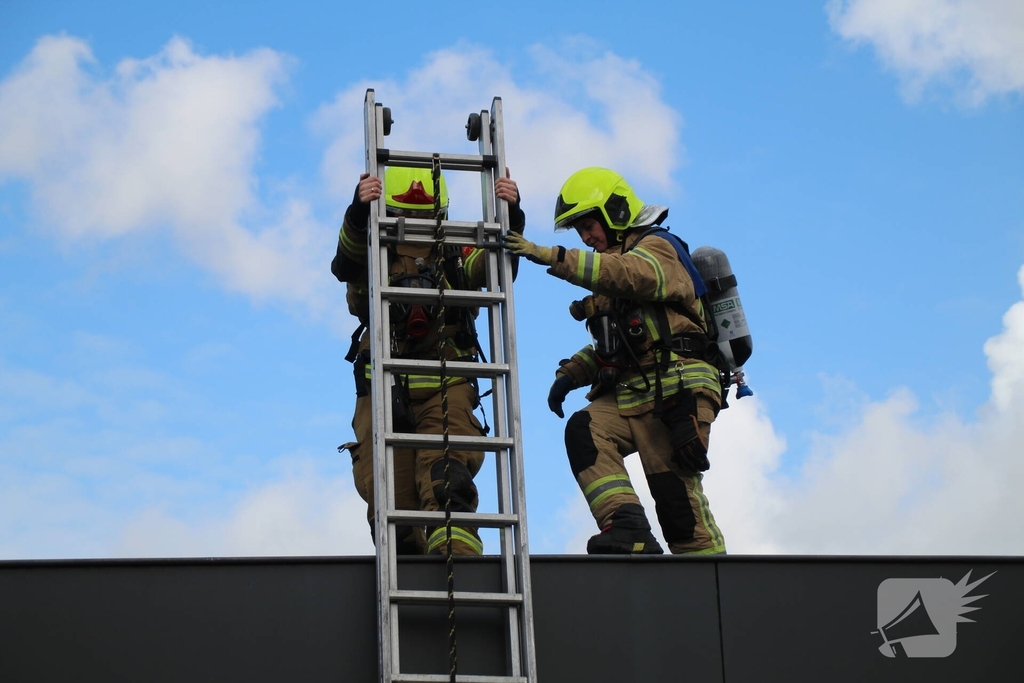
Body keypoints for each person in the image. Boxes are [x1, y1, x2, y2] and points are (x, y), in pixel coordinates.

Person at [503, 167, 726, 555]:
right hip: (637, 390)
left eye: (590, 225)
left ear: (615, 212)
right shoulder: (616, 268)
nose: (587, 237)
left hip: (677, 387)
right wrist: (571, 373)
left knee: (678, 505)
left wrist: (549, 255)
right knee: (586, 430)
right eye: (579, 232)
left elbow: (629, 275)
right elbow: (621, 342)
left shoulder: (658, 248)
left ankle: (715, 587)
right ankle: (627, 527)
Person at [333, 165, 525, 555]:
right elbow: (347, 268)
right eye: (408, 216)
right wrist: (356, 216)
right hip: (384, 391)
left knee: (448, 481)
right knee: (391, 499)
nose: (415, 225)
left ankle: (462, 569)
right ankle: (408, 581)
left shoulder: (456, 252)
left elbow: (494, 269)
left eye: (424, 216)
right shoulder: (374, 252)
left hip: (447, 382)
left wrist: (510, 216)